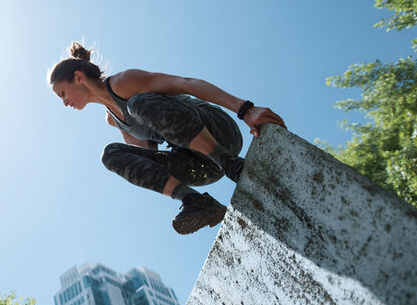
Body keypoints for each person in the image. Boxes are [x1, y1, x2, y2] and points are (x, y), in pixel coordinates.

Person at [48, 42, 286, 235]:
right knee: (111, 155)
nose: (65, 102)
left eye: (62, 93)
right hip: (201, 167)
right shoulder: (112, 120)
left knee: (137, 104)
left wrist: (245, 109)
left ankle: (231, 162)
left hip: (220, 133)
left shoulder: (123, 82)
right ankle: (195, 201)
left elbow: (185, 84)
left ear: (78, 77)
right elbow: (149, 158)